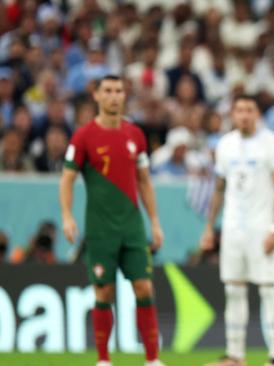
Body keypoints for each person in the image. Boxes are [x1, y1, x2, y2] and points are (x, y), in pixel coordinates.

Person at [59, 75, 165, 366]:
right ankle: (104, 360)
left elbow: (144, 181)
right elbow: (67, 179)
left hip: (132, 226)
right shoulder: (83, 137)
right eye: (108, 91)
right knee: (104, 291)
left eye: (119, 91)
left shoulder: (135, 135)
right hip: (100, 228)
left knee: (144, 287)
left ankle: (152, 360)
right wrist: (67, 216)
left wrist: (154, 221)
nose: (114, 96)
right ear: (96, 96)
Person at [200, 95, 274, 366]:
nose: (243, 115)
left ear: (257, 114)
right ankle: (235, 355)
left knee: (268, 289)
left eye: (249, 110)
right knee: (234, 290)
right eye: (238, 110)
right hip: (232, 229)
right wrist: (208, 227)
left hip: (262, 228)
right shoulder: (225, 145)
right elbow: (219, 188)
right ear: (233, 114)